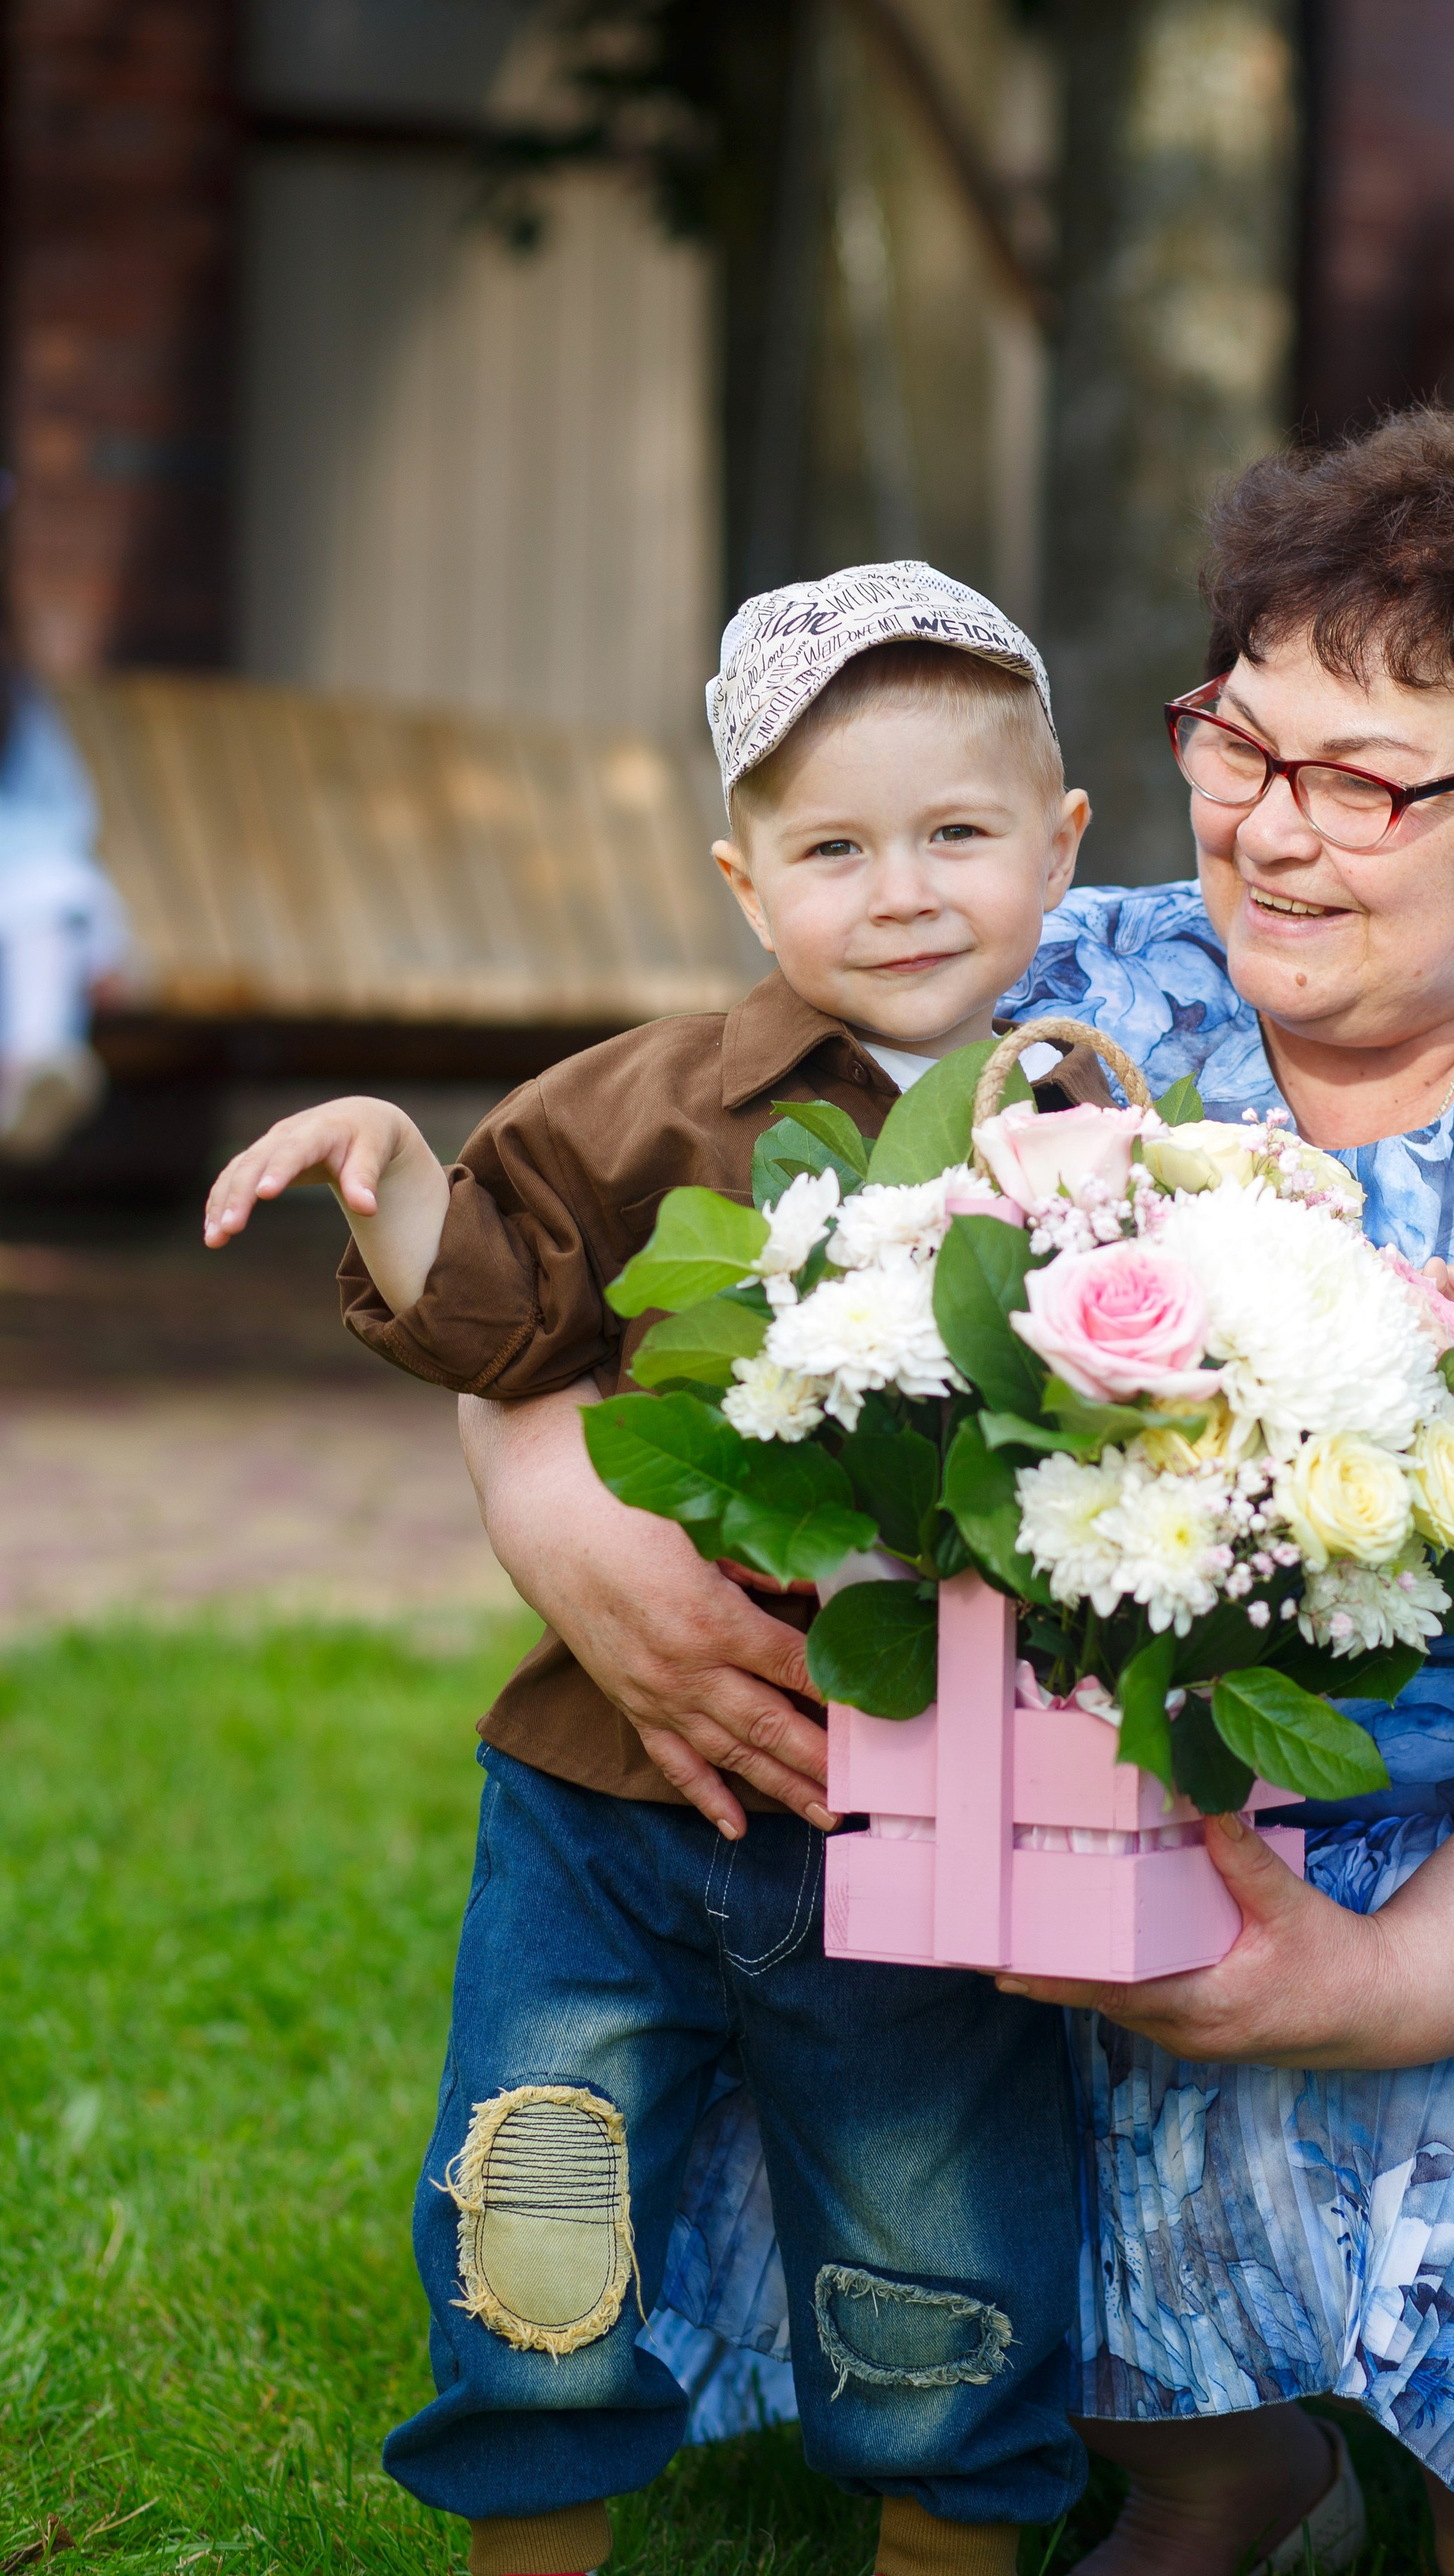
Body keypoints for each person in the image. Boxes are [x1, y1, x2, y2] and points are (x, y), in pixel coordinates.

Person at [461, 410, 1454, 2576]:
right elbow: (579, 1230)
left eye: (1372, 782)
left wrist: (1392, 1981)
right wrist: (546, 1496)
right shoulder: (1065, 982)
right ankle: (1215, 2463)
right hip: (1093, 1824)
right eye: (1240, 744)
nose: (1271, 833)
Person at [203, 565, 1109, 2576]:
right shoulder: (646, 1106)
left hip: (918, 1813)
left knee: (933, 2218)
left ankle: (942, 2524)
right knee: (541, 2189)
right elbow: (494, 1325)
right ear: (742, 876)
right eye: (833, 847)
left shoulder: (1104, 1135)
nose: (900, 890)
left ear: (1058, 849)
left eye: (957, 834)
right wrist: (400, 1169)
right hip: (601, 1807)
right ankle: (536, 2537)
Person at [0, 631, 124, 1160]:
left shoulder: (28, 716)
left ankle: (33, 1069)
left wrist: (109, 950)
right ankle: (32, 1066)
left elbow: (66, 825)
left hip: (31, 898)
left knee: (53, 898)